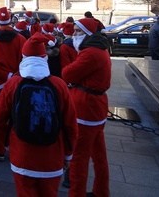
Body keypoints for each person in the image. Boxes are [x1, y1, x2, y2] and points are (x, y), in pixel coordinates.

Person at [0, 33, 78, 197]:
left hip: (22, 155)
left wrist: (9, 144)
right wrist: (68, 154)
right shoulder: (59, 84)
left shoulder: (13, 83)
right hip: (52, 157)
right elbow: (70, 125)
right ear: (44, 57)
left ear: (23, 57)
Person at [62, 17, 111, 197]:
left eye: (78, 31)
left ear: (88, 34)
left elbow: (68, 73)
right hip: (95, 105)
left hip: (86, 107)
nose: (74, 34)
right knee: (99, 153)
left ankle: (76, 193)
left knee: (79, 155)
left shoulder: (90, 52)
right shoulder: (99, 49)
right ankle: (101, 191)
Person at [0, 7, 26, 161]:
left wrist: (4, 75)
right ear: (10, 20)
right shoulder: (21, 39)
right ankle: (16, 149)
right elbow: (24, 59)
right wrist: (14, 75)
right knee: (16, 116)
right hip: (17, 81)